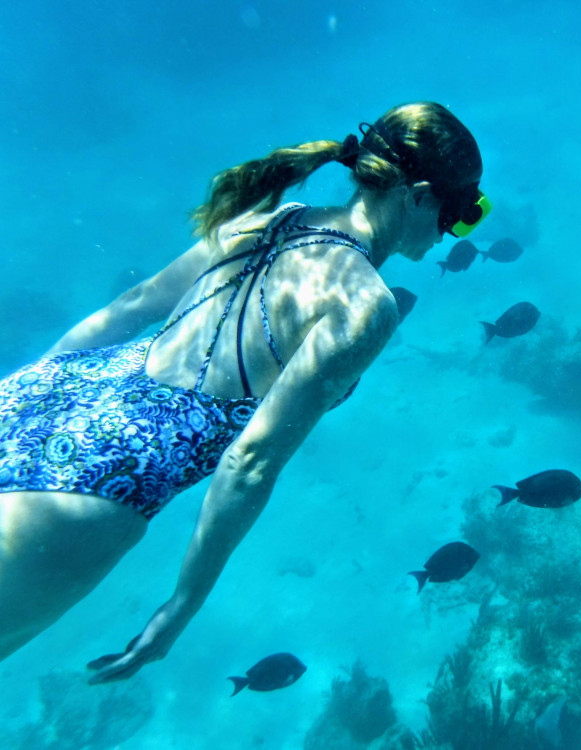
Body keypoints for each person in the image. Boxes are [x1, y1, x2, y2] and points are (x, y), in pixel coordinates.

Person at [0, 101, 489, 681]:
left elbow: (124, 311)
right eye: (464, 212)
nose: (455, 230)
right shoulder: (363, 304)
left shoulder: (264, 218)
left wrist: (27, 397)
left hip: (38, 400)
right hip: (104, 481)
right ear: (420, 196)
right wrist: (182, 605)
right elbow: (250, 462)